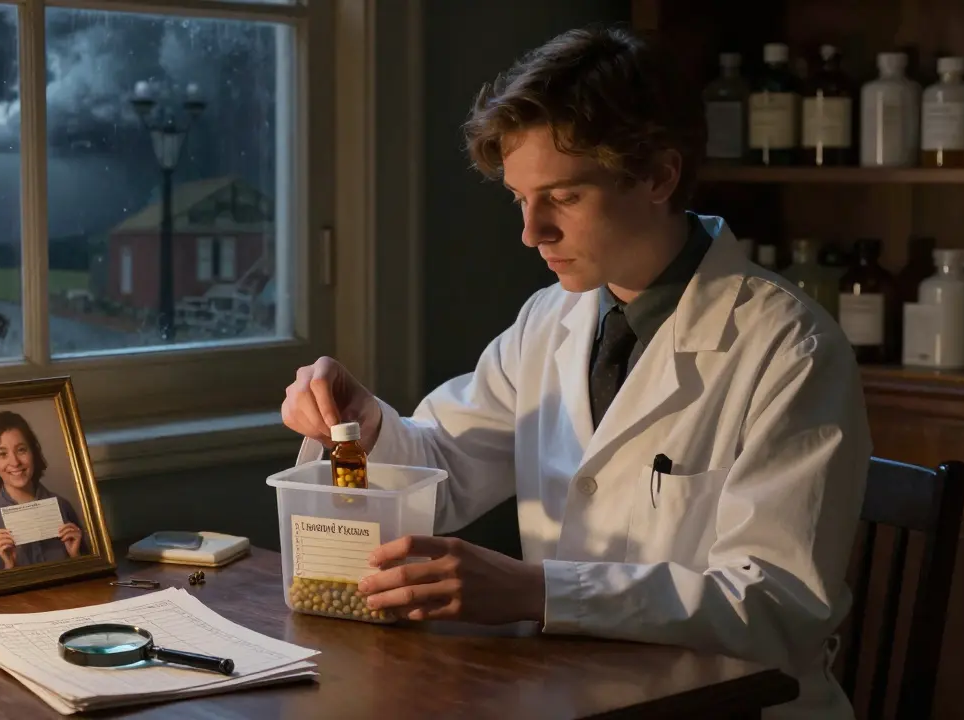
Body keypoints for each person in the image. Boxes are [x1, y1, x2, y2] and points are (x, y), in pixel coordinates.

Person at [280, 26, 868, 720]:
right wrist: (368, 424)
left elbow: (775, 606)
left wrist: (539, 591)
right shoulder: (549, 321)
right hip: (575, 695)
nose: (532, 232)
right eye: (519, 198)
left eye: (563, 197)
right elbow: (438, 477)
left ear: (658, 175)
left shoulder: (789, 348)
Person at [0, 410, 85, 572]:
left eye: (21, 450)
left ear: (33, 453)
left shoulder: (62, 506)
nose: (15, 462)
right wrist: (8, 566)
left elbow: (88, 576)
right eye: (2, 454)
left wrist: (76, 556)